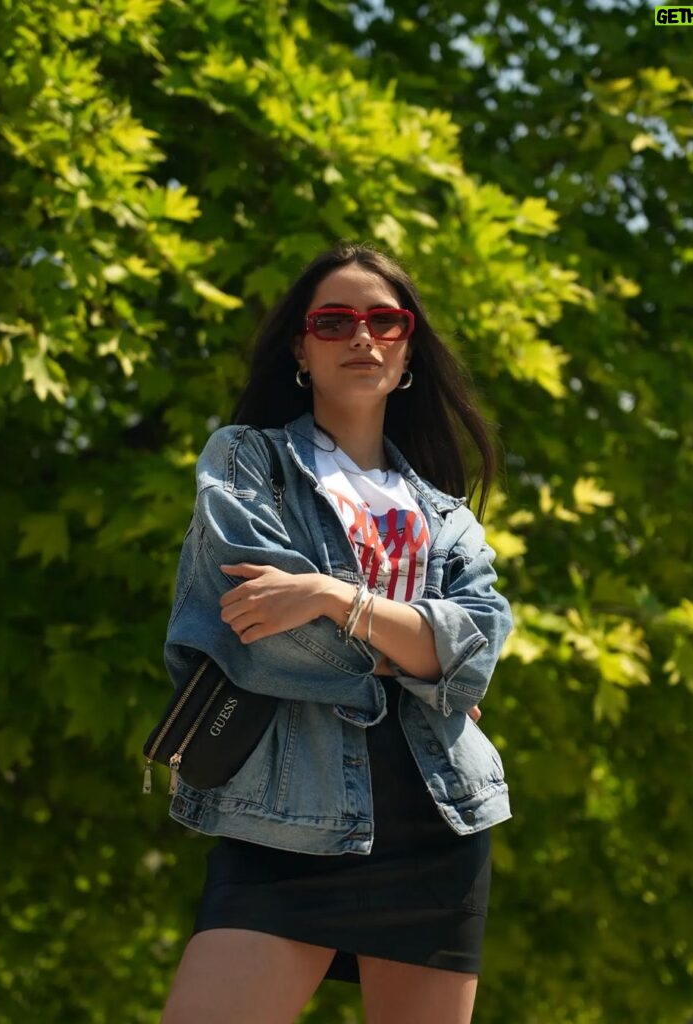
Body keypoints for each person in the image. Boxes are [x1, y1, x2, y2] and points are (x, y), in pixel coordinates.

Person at [159, 242, 514, 1024]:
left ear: (408, 345)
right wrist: (422, 662)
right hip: (280, 813)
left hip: (437, 819)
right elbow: (255, 628)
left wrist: (325, 594)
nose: (363, 336)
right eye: (334, 320)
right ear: (299, 346)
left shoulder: (445, 512)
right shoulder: (247, 462)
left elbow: (477, 652)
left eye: (385, 320)